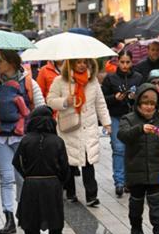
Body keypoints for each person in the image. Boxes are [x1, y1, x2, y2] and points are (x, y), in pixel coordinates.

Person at [0, 50, 45, 234]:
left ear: (12, 63)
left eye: (1, 60)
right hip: (0, 137)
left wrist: (35, 132)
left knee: (22, 177)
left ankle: (23, 212)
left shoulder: (29, 83)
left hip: (22, 137)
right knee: (6, 178)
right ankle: (9, 218)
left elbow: (41, 108)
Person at [12, 106, 70, 234]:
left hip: (31, 185)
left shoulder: (26, 140)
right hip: (52, 185)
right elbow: (66, 168)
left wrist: (28, 175)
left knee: (31, 227)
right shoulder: (58, 141)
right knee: (56, 227)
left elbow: (17, 162)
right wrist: (59, 181)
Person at [47, 59, 111, 208]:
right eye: (79, 62)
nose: (82, 65)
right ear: (72, 63)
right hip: (70, 128)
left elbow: (100, 103)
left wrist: (107, 122)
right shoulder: (60, 81)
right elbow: (50, 100)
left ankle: (91, 195)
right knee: (70, 161)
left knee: (89, 160)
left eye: (85, 62)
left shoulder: (92, 81)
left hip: (88, 127)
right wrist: (64, 101)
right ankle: (70, 192)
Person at [118, 83, 159, 234]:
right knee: (136, 202)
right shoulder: (128, 118)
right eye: (145, 103)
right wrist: (140, 129)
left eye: (152, 104)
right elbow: (123, 135)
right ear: (138, 103)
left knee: (156, 203)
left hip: (156, 169)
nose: (149, 107)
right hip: (135, 169)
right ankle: (136, 227)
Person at [101, 51, 144, 197]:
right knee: (119, 149)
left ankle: (129, 181)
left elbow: (144, 96)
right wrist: (115, 98)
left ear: (132, 62)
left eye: (128, 62)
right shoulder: (110, 79)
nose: (125, 65)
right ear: (118, 62)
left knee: (133, 149)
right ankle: (119, 181)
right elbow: (102, 99)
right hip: (116, 116)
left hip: (133, 117)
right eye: (122, 62)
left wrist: (135, 97)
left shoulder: (138, 77)